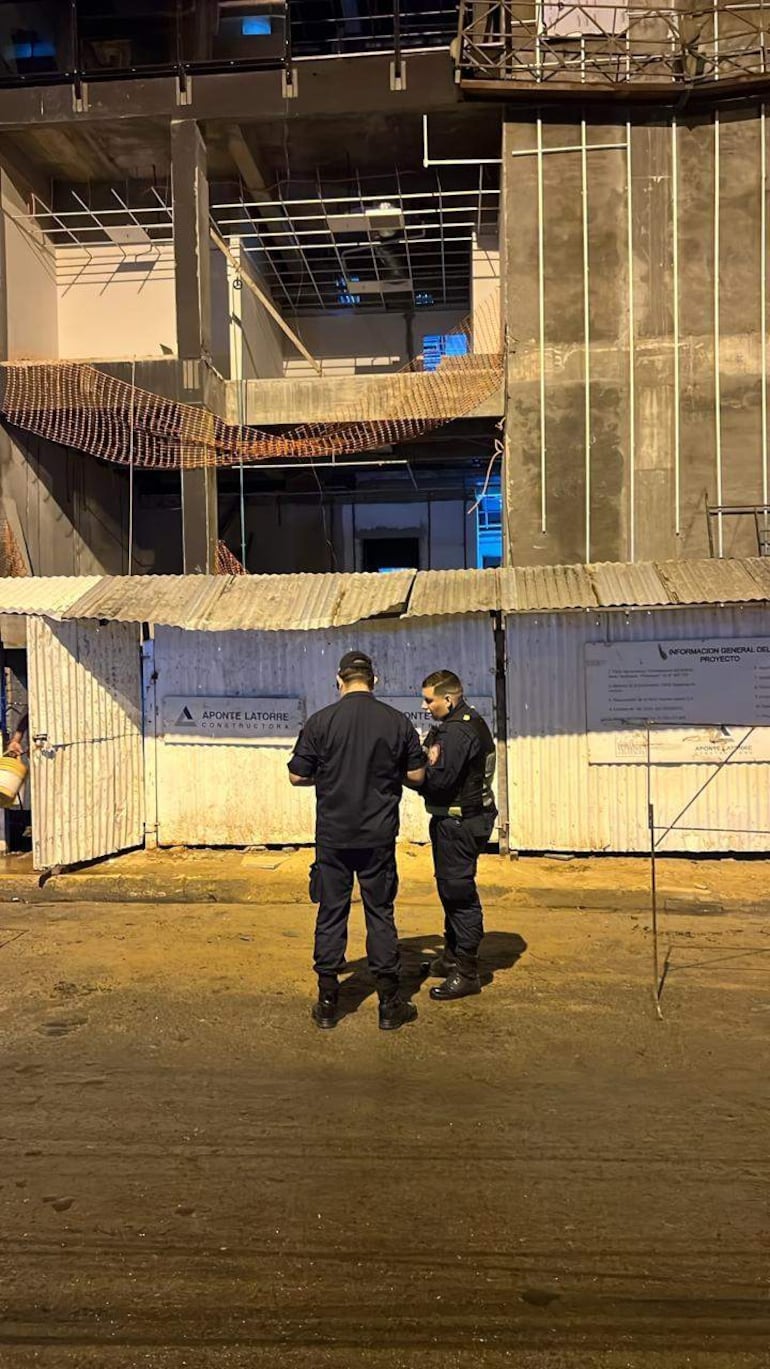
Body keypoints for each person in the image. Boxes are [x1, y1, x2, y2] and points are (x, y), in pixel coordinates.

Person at [288, 649, 426, 1032]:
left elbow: (298, 776)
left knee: (332, 911)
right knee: (380, 912)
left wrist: (330, 778)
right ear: (374, 681)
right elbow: (416, 776)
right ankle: (388, 1005)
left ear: (339, 680)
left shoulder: (321, 722)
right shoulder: (397, 722)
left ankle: (329, 1002)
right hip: (377, 836)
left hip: (333, 837)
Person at [419, 669, 497, 1002]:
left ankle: (466, 972)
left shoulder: (457, 732)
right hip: (461, 821)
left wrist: (412, 772)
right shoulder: (465, 723)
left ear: (448, 698)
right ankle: (451, 955)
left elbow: (437, 782)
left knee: (459, 893)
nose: (425, 707)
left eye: (429, 700)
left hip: (459, 824)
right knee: (450, 889)